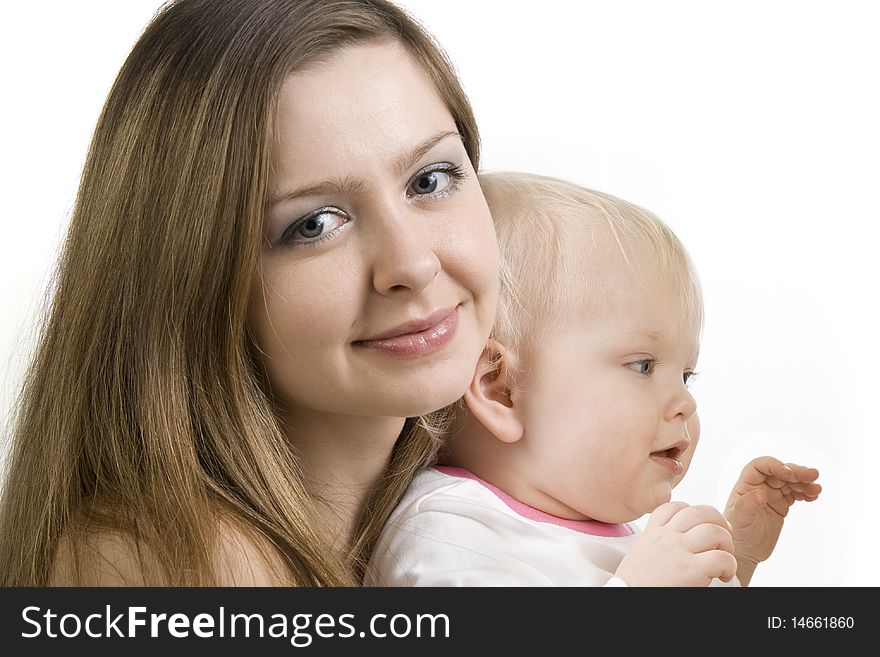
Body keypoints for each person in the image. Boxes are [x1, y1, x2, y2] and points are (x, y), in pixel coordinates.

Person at [0, 0, 500, 586]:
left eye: (429, 180)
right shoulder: (182, 564)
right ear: (194, 280)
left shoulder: (466, 510)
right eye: (314, 224)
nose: (412, 264)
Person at [365, 172, 821, 586]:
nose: (684, 401)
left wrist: (734, 563)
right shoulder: (450, 531)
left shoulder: (614, 537)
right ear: (501, 389)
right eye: (642, 365)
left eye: (685, 374)